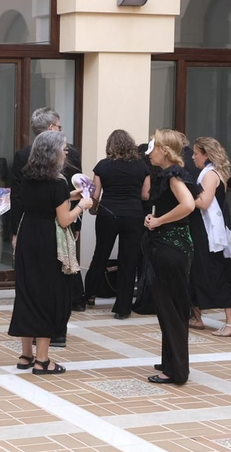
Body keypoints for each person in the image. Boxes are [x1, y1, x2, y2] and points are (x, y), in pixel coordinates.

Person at [9, 131, 91, 376]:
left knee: (27, 293)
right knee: (48, 294)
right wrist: (81, 205)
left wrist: (70, 197)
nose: (66, 152)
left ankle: (26, 355)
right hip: (48, 241)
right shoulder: (57, 181)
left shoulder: (27, 176)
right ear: (53, 152)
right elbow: (64, 219)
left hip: (28, 236)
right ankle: (42, 360)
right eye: (63, 148)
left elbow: (42, 201)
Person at [142, 130, 200, 386]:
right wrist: (156, 219)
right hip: (174, 245)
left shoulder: (172, 174)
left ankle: (176, 369)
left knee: (171, 308)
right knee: (171, 307)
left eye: (153, 147)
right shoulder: (175, 173)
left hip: (170, 247)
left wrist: (158, 221)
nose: (149, 152)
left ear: (164, 151)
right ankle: (172, 362)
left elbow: (188, 205)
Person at [85, 130, 149, 320]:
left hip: (108, 214)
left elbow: (95, 195)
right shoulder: (141, 166)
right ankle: (123, 308)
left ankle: (87, 296)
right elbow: (145, 194)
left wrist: (93, 209)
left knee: (100, 254)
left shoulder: (103, 166)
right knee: (128, 261)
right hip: (134, 215)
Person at [187, 137, 231, 337]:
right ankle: (196, 315)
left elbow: (204, 203)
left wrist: (185, 192)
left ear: (206, 154)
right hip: (201, 229)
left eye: (196, 153)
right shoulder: (210, 173)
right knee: (196, 272)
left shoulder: (210, 175)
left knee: (212, 272)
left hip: (206, 231)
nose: (193, 157)